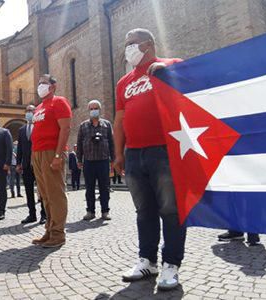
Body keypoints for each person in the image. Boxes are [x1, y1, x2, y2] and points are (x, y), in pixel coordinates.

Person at [114, 28, 185, 290]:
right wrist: (118, 152)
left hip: (164, 151)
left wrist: (166, 71)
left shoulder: (169, 66)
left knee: (170, 209)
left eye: (131, 43)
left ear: (148, 44)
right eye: (126, 44)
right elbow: (120, 120)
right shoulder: (124, 82)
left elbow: (189, 81)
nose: (127, 49)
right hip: (134, 153)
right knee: (144, 211)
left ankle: (171, 264)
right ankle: (147, 261)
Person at [30, 74, 72, 248]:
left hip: (51, 152)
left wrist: (57, 155)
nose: (40, 86)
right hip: (38, 153)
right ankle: (49, 229)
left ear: (53, 86)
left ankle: (58, 234)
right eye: (39, 83)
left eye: (44, 83)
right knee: (45, 195)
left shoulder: (59, 102)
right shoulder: (39, 107)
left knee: (55, 194)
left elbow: (65, 128)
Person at [77, 99, 115, 221]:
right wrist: (79, 159)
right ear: (89, 110)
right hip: (88, 161)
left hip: (103, 161)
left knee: (105, 188)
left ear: (99, 109)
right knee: (89, 188)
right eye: (91, 109)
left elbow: (112, 143)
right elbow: (79, 143)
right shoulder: (83, 126)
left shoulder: (106, 125)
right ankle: (90, 211)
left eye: (95, 108)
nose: (93, 110)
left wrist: (114, 159)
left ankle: (105, 211)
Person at [16, 105, 46, 224]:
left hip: (39, 163)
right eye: (27, 111)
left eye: (31, 111)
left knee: (43, 190)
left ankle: (44, 214)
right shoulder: (22, 130)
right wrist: (18, 163)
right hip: (26, 165)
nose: (29, 113)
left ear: (36, 112)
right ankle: (31, 214)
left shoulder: (40, 125)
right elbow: (20, 148)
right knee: (28, 191)